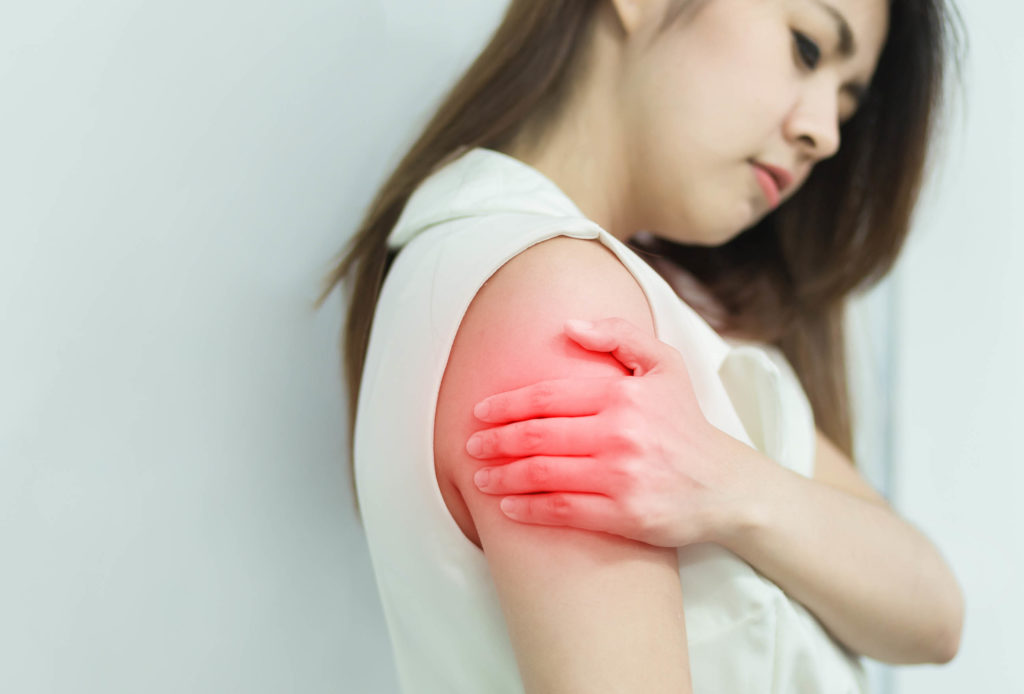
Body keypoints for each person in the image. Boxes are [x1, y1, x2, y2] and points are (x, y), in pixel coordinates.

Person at [316, 0, 966, 691]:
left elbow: (934, 612)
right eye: (806, 48)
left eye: (846, 100)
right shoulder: (559, 302)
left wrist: (733, 484)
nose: (825, 135)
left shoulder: (661, 307)